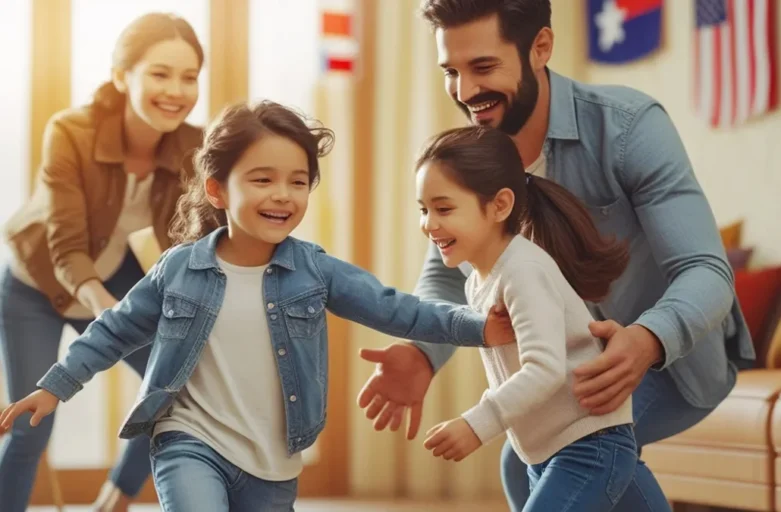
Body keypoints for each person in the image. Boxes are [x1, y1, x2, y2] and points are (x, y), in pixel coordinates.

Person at [0, 100, 515, 512]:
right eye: (263, 179)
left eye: (298, 181)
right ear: (217, 190)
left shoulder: (315, 271)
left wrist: (478, 328)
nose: (283, 195)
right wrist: (55, 387)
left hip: (272, 463)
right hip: (189, 440)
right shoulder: (178, 270)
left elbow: (399, 310)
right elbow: (113, 330)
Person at [357, 1, 755, 510]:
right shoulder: (479, 158)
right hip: (574, 367)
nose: (465, 90)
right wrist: (421, 351)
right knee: (536, 456)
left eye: (483, 66)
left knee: (546, 455)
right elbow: (446, 275)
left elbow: (707, 270)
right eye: (451, 71)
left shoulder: (629, 127)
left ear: (540, 47)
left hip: (671, 364)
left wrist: (648, 339)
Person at [0, 12, 204, 512]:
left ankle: (114, 500)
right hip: (36, 285)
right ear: (120, 76)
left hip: (115, 275)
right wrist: (109, 313)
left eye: (189, 76)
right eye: (160, 73)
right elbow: (66, 245)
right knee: (31, 425)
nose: (176, 90)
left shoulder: (193, 147)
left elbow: (191, 242)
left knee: (175, 392)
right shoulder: (71, 130)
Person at [416, 126, 672, 510]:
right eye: (423, 210)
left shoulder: (523, 271)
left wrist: (476, 423)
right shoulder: (479, 281)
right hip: (554, 446)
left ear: (499, 205)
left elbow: (544, 369)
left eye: (444, 208)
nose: (429, 224)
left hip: (588, 444)